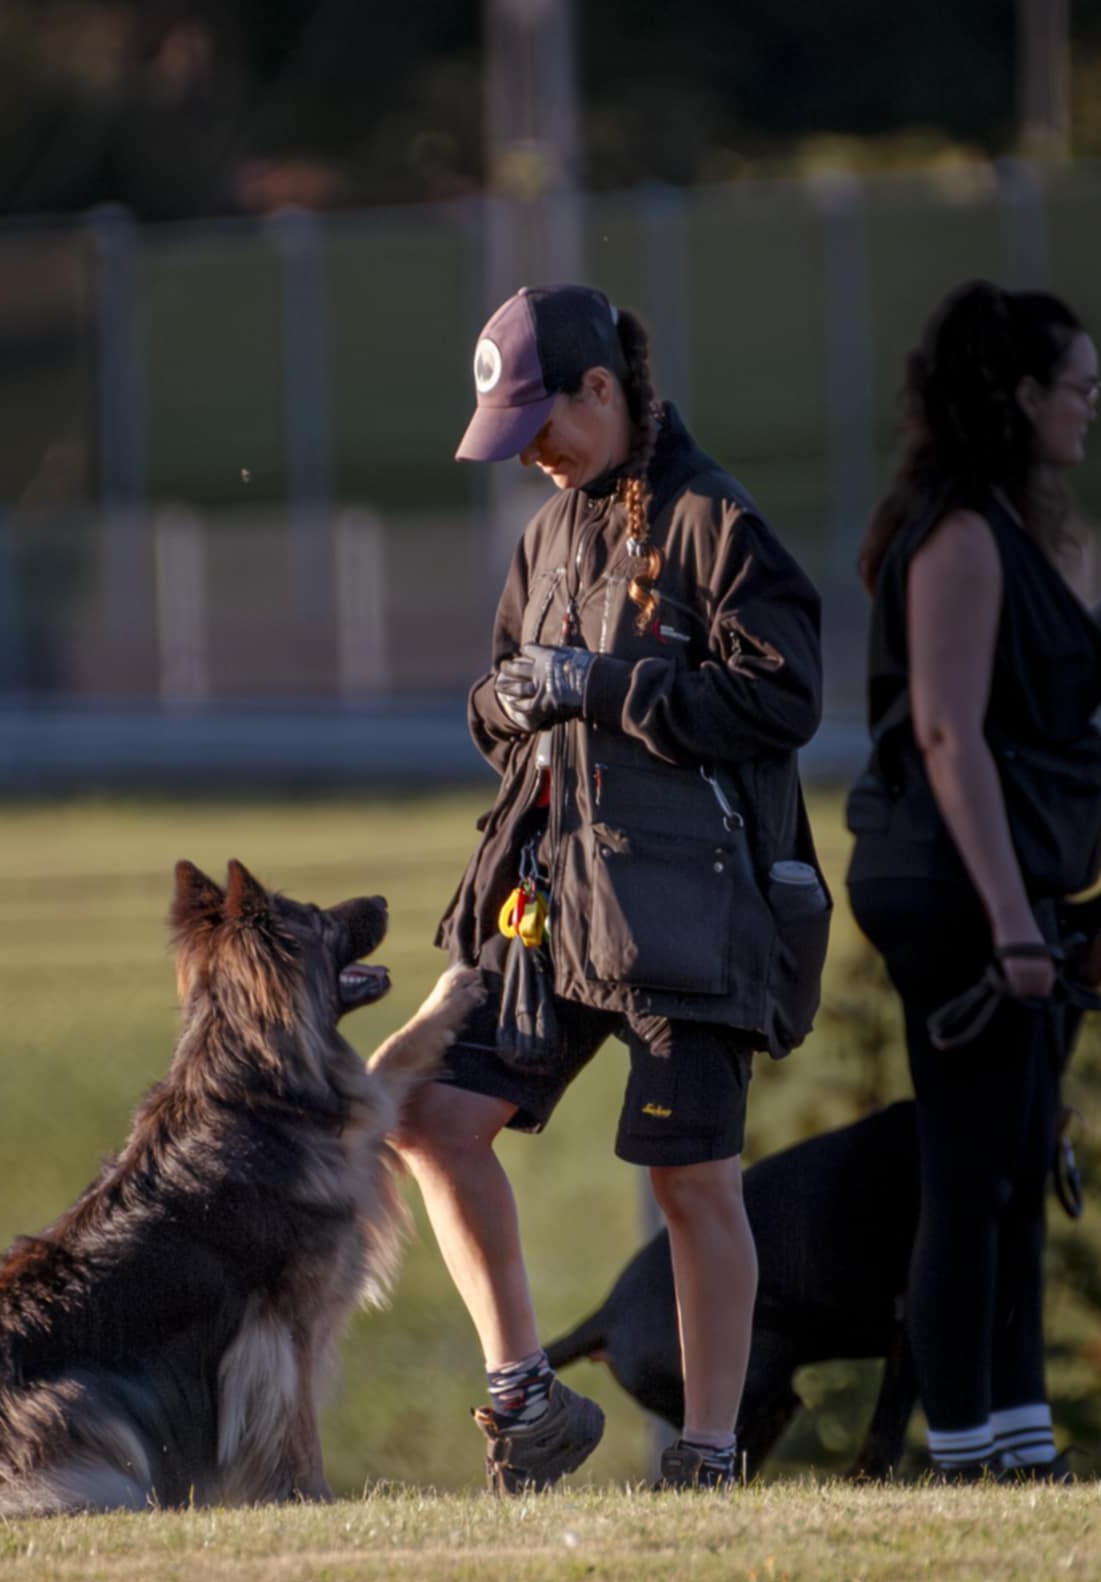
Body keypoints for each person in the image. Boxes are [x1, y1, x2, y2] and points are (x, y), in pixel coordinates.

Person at [394, 284, 826, 1493]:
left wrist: (599, 687)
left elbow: (783, 697)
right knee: (429, 1118)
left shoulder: (712, 519)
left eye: (540, 424)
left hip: (692, 916)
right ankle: (525, 1405)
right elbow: (498, 699)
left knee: (691, 1185)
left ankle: (707, 1456)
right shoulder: (546, 534)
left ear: (604, 389)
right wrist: (506, 700)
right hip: (549, 908)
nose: (529, 453)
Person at [843, 281, 1101, 1484]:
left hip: (975, 880)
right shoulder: (962, 536)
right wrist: (1010, 928)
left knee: (1012, 1166)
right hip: (953, 887)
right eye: (1077, 387)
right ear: (1021, 396)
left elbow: (1002, 683)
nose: (1091, 405)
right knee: (971, 1176)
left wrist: (1100, 626)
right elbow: (946, 732)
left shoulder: (987, 528)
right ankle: (966, 1455)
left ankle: (1019, 1450)